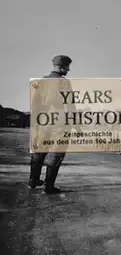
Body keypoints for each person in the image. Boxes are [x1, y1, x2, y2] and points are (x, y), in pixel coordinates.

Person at [29, 55, 75, 194]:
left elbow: (35, 102)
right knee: (56, 153)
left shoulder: (42, 81)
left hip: (43, 121)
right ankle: (49, 186)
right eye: (67, 67)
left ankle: (33, 180)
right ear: (61, 67)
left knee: (38, 152)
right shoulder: (64, 82)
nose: (68, 70)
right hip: (59, 122)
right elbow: (70, 104)